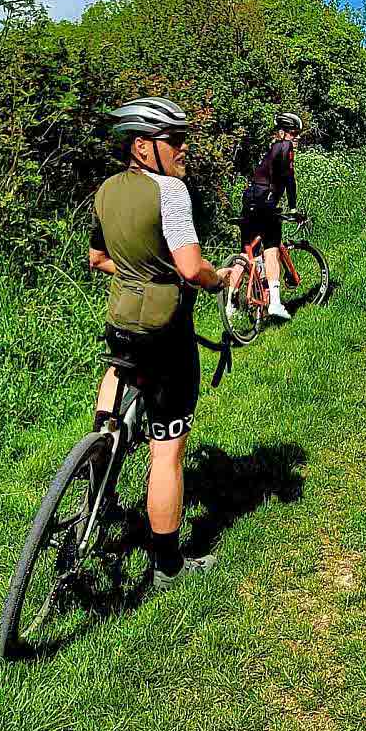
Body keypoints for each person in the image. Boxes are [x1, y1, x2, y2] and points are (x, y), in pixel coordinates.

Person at [88, 97, 240, 589]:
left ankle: (102, 449)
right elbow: (192, 269)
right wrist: (219, 279)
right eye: (173, 140)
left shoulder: (106, 191)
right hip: (165, 331)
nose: (183, 148)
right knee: (167, 451)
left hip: (120, 323)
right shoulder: (171, 191)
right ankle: (168, 566)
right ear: (142, 147)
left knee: (118, 368)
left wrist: (139, 270)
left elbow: (97, 259)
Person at [238, 111, 303, 322]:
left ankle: (230, 305)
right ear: (282, 133)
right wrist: (293, 208)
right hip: (265, 204)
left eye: (297, 134)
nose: (296, 138)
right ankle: (275, 303)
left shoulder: (270, 150)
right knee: (271, 249)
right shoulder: (285, 147)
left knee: (245, 254)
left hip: (249, 199)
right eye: (293, 133)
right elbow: (289, 179)